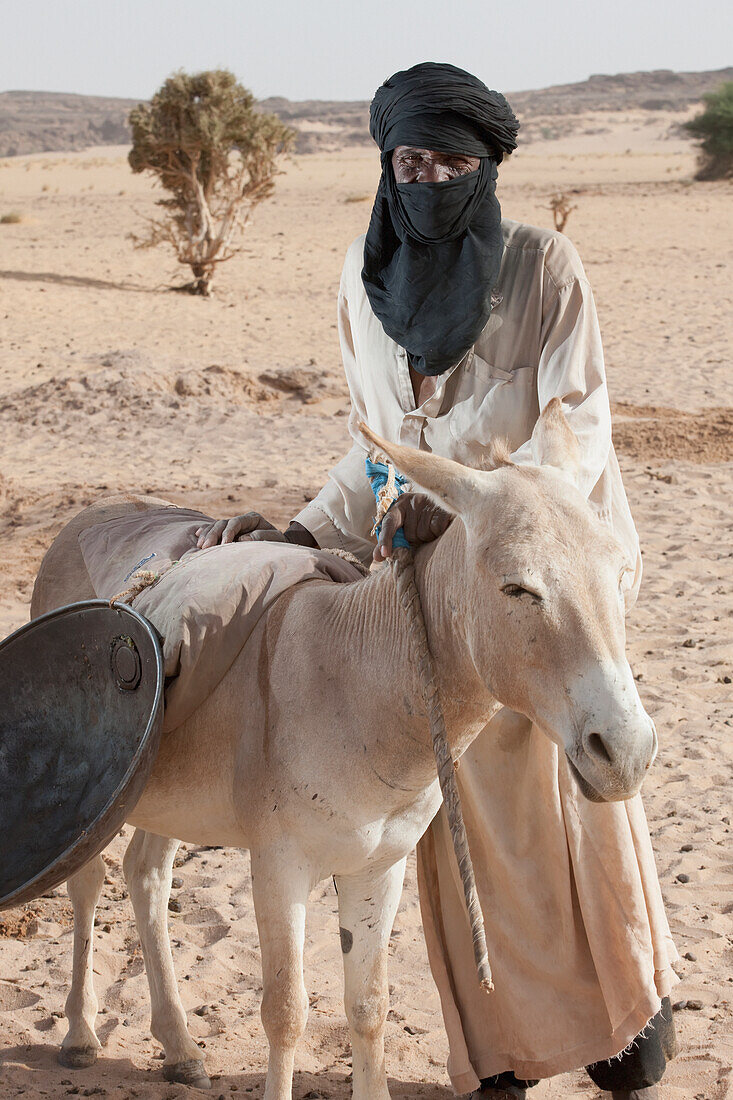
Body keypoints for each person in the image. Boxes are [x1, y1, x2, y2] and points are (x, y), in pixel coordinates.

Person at [196, 62, 678, 1100]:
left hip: (540, 587)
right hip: (424, 611)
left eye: (449, 162)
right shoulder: (360, 285)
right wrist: (310, 525)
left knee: (562, 800)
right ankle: (495, 1043)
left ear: (486, 169)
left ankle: (616, 1013)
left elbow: (575, 427)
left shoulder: (544, 268)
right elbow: (371, 449)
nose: (426, 180)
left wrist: (474, 499)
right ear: (386, 165)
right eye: (408, 161)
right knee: (439, 826)